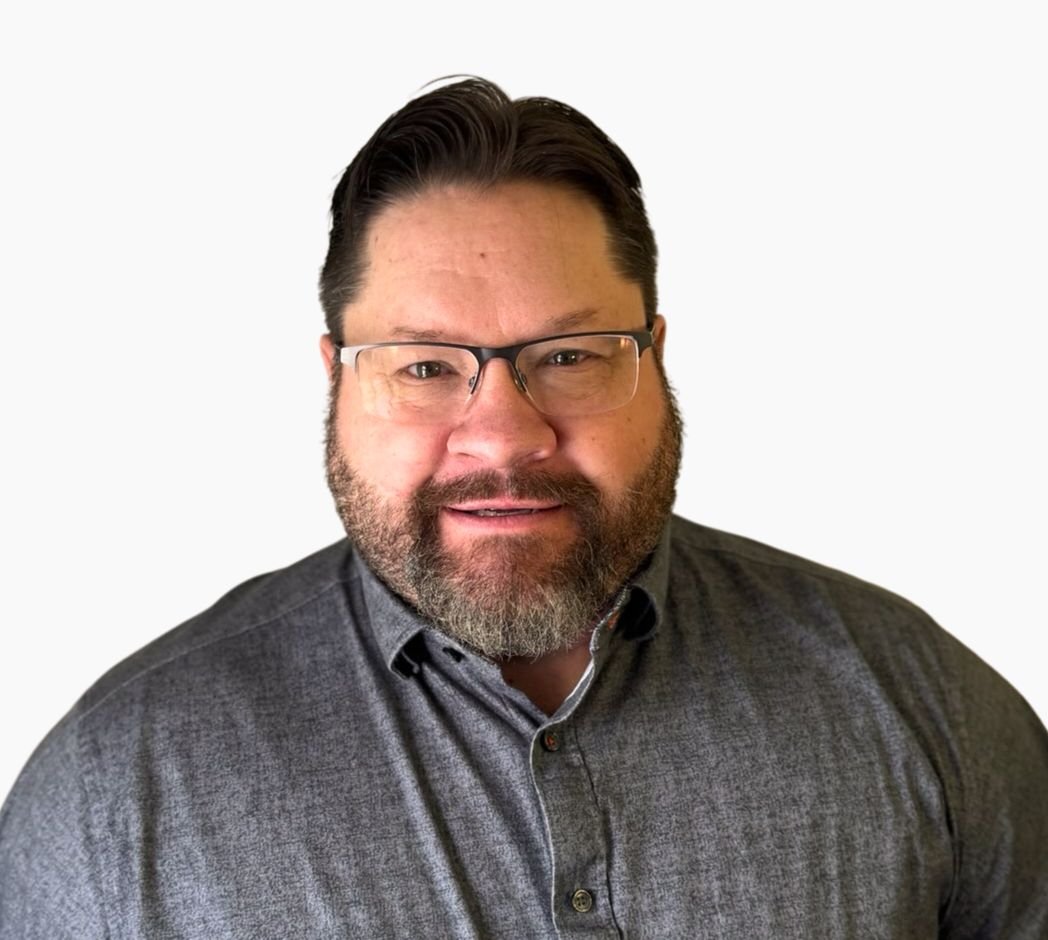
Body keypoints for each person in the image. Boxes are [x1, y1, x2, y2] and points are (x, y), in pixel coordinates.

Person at [1, 77, 1046, 939]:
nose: (502, 435)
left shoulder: (925, 709)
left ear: (655, 361)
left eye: (569, 356)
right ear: (337, 379)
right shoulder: (113, 791)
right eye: (422, 365)